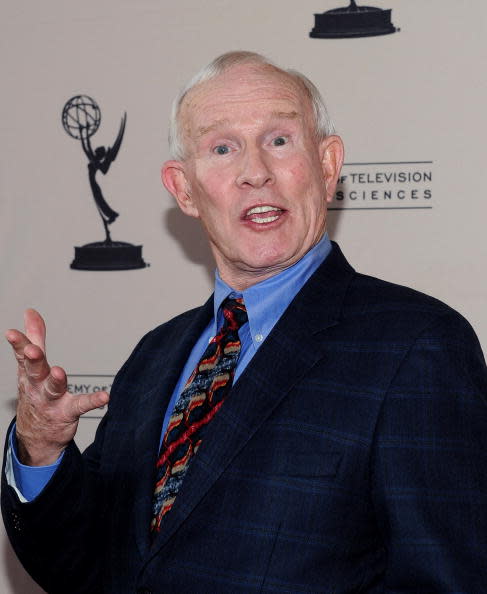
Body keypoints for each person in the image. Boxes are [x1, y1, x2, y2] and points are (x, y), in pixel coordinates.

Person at [3, 51, 487, 593]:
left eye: (279, 140)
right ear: (184, 189)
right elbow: (84, 566)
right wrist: (40, 447)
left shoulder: (418, 346)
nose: (255, 172)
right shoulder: (154, 356)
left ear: (327, 167)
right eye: (222, 148)